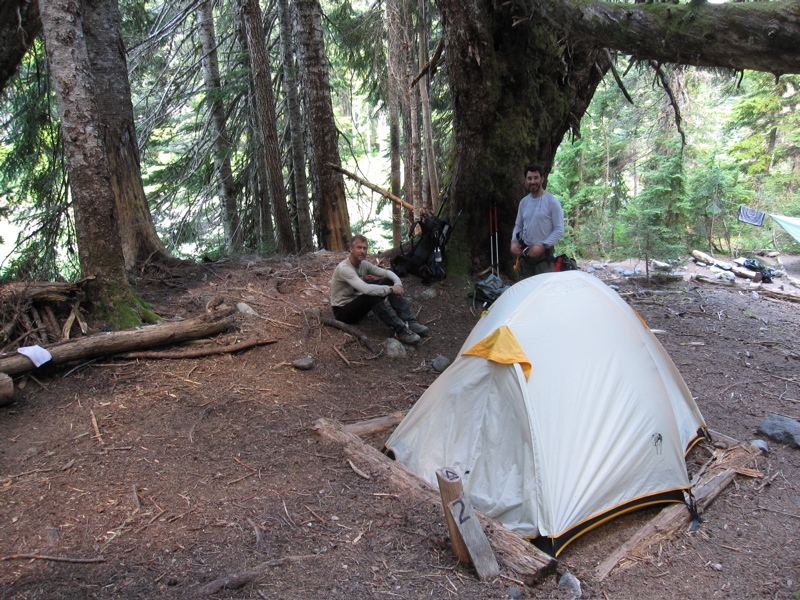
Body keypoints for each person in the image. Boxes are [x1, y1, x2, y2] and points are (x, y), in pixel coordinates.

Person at [331, 235, 430, 344]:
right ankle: (400, 330)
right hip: (343, 311)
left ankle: (409, 321)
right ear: (351, 249)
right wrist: (391, 289)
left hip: (357, 302)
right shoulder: (345, 268)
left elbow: (386, 273)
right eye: (359, 248)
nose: (362, 251)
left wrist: (397, 284)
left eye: (364, 248)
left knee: (388, 281)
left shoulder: (363, 264)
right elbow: (366, 289)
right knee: (371, 295)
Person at [510, 164, 565, 279]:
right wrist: (514, 242)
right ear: (526, 180)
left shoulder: (552, 201)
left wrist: (543, 246)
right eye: (529, 178)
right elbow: (518, 225)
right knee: (527, 292)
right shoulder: (524, 202)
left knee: (544, 291)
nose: (533, 181)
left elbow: (559, 229)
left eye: (536, 178)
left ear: (542, 179)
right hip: (526, 256)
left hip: (545, 258)